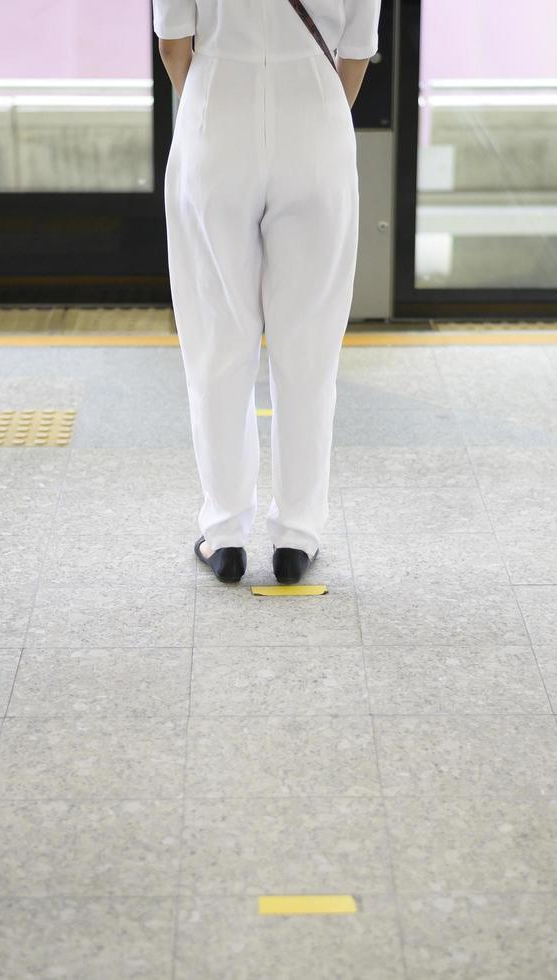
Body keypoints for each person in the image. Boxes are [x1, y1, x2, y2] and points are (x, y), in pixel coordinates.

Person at [154, 0, 379, 586]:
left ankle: (225, 535)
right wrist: (315, 121)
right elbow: (356, 52)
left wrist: (211, 109)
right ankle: (296, 539)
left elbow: (175, 43)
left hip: (216, 107)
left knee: (217, 340)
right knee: (308, 348)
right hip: (315, 113)